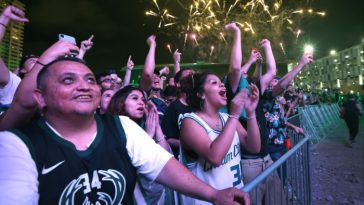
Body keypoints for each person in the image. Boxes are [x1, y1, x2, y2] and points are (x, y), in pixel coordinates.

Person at [0, 56, 250, 205]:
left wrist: (214, 195)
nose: (84, 86)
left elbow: (163, 166)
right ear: (40, 98)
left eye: (89, 80)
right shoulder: (17, 145)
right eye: (68, 80)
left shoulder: (121, 127)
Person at [179, 71, 260, 205]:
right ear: (201, 94)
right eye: (214, 83)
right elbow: (215, 158)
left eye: (221, 82)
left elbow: (254, 147)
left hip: (234, 198)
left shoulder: (227, 119)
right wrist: (234, 114)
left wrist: (251, 113)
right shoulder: (190, 122)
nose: (222, 85)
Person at [0, 5, 28, 110]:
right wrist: (4, 18)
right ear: (23, 70)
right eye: (33, 60)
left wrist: (82, 51)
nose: (38, 61)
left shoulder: (48, 87)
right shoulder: (15, 83)